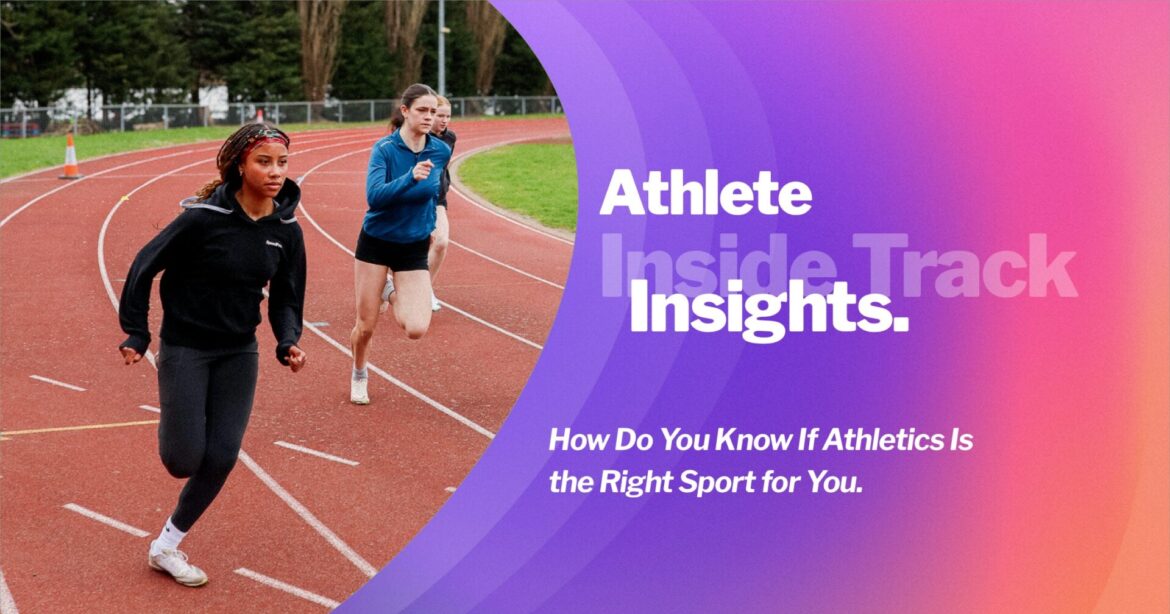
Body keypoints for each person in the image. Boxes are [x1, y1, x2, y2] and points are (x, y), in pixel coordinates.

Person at [118, 123, 307, 587]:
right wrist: (137, 334)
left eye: (282, 163)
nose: (275, 172)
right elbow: (144, 265)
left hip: (240, 350)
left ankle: (166, 546)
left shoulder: (287, 231)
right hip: (186, 346)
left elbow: (287, 296)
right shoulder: (202, 219)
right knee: (183, 459)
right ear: (240, 164)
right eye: (264, 161)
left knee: (222, 455)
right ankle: (178, 415)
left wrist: (288, 340)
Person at [350, 83, 451, 405]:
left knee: (417, 328)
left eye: (433, 111)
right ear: (405, 111)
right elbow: (374, 198)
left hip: (412, 245)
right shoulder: (385, 149)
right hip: (377, 242)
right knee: (366, 326)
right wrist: (410, 177)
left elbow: (434, 193)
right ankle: (359, 373)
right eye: (422, 110)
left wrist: (430, 223)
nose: (429, 116)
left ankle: (389, 290)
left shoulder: (440, 150)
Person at [426, 95, 457, 312]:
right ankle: (388, 285)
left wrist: (444, 185)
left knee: (441, 242)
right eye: (440, 115)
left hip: (437, 199)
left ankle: (425, 290)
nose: (444, 120)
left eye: (448, 116)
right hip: (413, 199)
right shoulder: (416, 136)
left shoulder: (450, 138)